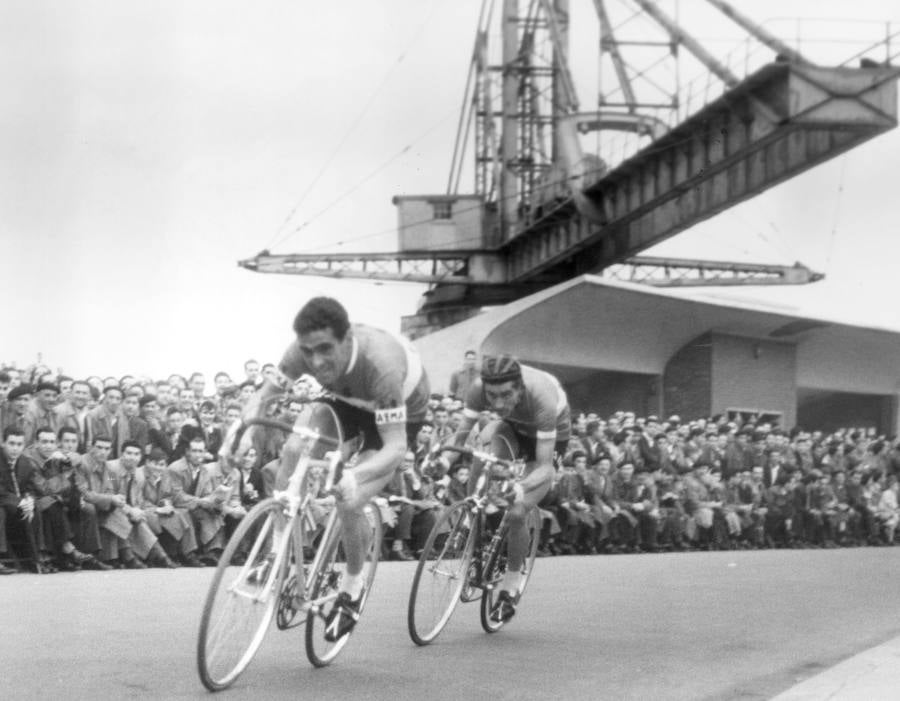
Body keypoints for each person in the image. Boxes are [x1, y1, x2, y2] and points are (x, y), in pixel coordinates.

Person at [234, 296, 430, 642]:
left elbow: (395, 447)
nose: (316, 361)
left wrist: (355, 475)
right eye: (309, 352)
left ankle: (352, 589)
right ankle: (276, 554)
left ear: (347, 339)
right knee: (296, 447)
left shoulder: (381, 364)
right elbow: (263, 396)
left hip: (394, 409)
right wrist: (245, 431)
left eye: (325, 349)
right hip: (344, 398)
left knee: (350, 500)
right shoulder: (301, 352)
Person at [446, 353, 570, 623]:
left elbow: (545, 468)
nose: (498, 403)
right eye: (492, 396)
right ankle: (470, 519)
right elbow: (462, 434)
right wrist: (441, 461)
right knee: (483, 453)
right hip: (513, 427)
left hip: (547, 439)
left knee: (516, 511)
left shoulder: (542, 399)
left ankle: (511, 587)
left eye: (505, 395)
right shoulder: (479, 389)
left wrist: (519, 487)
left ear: (520, 388)